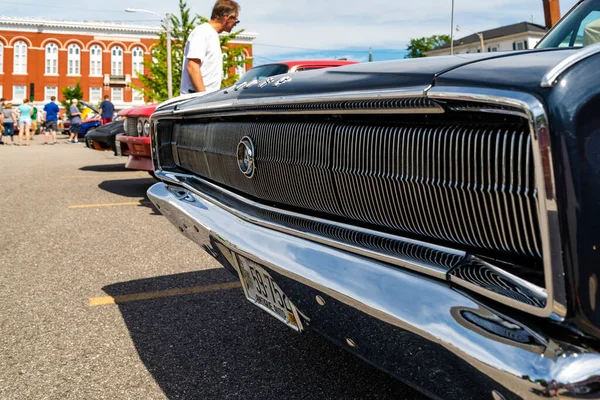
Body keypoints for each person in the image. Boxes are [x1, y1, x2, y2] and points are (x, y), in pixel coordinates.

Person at [180, 0, 241, 95]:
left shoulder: (212, 34)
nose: (236, 24)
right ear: (228, 18)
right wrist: (203, 97)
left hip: (205, 99)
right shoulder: (202, 32)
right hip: (195, 100)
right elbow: (192, 67)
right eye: (236, 21)